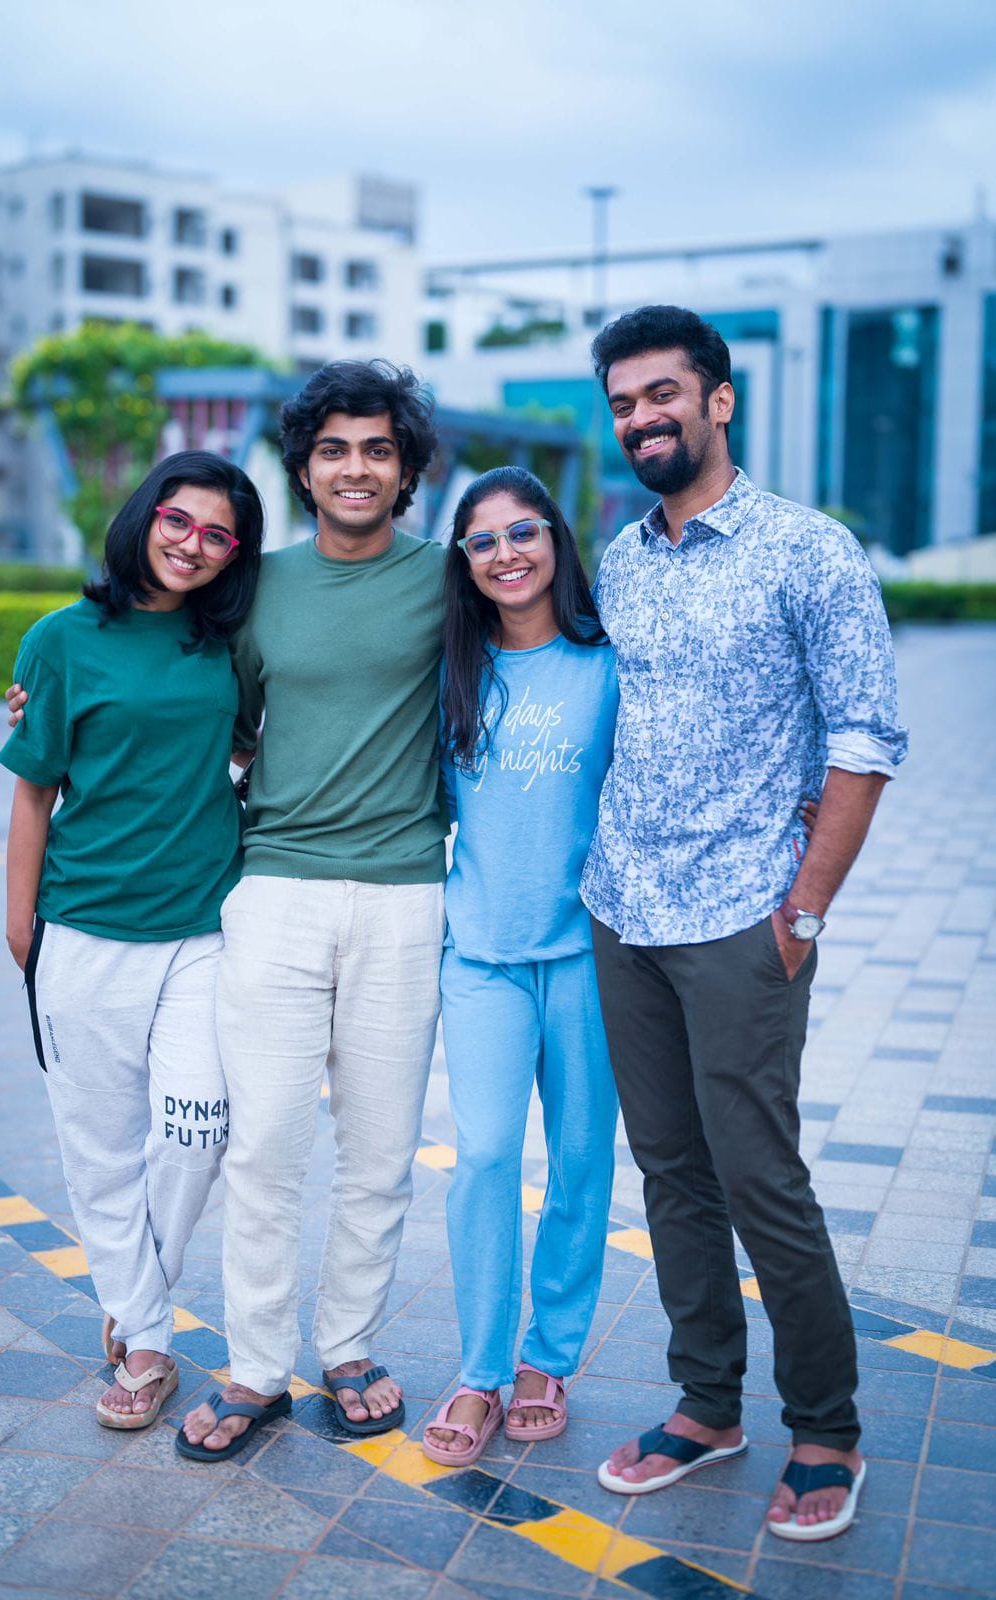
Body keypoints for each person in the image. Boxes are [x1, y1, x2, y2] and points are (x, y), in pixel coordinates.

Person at [583, 306, 908, 1542]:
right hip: (624, 908)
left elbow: (865, 738)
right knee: (669, 1174)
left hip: (741, 919)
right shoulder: (620, 559)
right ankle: (705, 1405)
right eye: (621, 403)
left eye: (661, 393)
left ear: (718, 400)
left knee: (759, 1176)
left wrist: (803, 911)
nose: (640, 418)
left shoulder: (807, 550)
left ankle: (823, 1427)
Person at [176, 361, 448, 1460]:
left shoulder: (452, 579)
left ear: (405, 469)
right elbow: (214, 712)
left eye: (376, 448)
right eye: (333, 448)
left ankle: (347, 1346)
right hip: (275, 889)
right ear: (303, 466)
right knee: (268, 1146)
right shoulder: (258, 589)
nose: (354, 466)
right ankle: (253, 1368)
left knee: (380, 1150)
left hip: (405, 893)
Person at [0, 451, 264, 1430]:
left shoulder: (224, 643)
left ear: (236, 551)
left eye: (218, 533)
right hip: (82, 926)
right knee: (101, 1148)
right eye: (177, 519)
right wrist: (19, 918)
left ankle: (136, 1304)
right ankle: (147, 1341)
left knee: (195, 1129)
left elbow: (247, 743)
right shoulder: (61, 640)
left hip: (202, 926)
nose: (193, 544)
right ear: (145, 515)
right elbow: (33, 789)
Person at [421, 467, 620, 1466]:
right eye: (483, 539)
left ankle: (549, 1356)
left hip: (589, 957)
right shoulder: (449, 669)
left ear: (555, 540)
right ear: (463, 561)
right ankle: (482, 1368)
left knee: (581, 1160)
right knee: (489, 1155)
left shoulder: (607, 664)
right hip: (484, 958)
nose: (506, 552)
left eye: (523, 532)